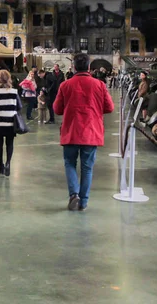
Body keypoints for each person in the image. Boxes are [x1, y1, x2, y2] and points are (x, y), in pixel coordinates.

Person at [54, 53, 114, 211]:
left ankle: (74, 195)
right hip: (91, 131)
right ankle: (84, 202)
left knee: (69, 163)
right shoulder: (99, 85)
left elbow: (57, 109)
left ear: (74, 67)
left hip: (71, 131)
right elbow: (110, 107)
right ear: (89, 67)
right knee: (87, 168)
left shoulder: (65, 85)